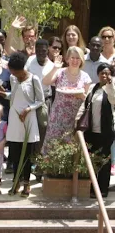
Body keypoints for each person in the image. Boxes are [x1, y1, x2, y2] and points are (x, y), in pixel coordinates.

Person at [0, 52, 43, 197]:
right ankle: (16, 182)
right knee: (14, 153)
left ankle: (26, 183)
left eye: (17, 72)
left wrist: (28, 109)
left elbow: (40, 100)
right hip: (14, 119)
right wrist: (3, 93)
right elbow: (14, 95)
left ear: (22, 69)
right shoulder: (13, 78)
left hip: (28, 119)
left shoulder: (34, 79)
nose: (15, 75)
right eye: (13, 72)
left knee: (26, 154)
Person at [76, 63, 115, 198]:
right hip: (91, 131)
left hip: (106, 131)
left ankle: (103, 189)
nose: (104, 75)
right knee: (92, 160)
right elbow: (85, 105)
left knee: (104, 160)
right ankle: (92, 188)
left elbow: (113, 99)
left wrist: (111, 84)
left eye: (107, 73)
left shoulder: (111, 88)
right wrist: (77, 120)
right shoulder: (93, 88)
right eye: (102, 73)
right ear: (98, 74)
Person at [42, 46, 91, 152]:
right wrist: (55, 67)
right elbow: (45, 82)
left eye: (78, 58)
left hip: (74, 118)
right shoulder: (60, 72)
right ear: (67, 59)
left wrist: (81, 95)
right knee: (52, 148)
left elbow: (86, 98)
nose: (75, 60)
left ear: (81, 60)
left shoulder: (85, 77)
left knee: (69, 149)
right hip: (57, 117)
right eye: (72, 57)